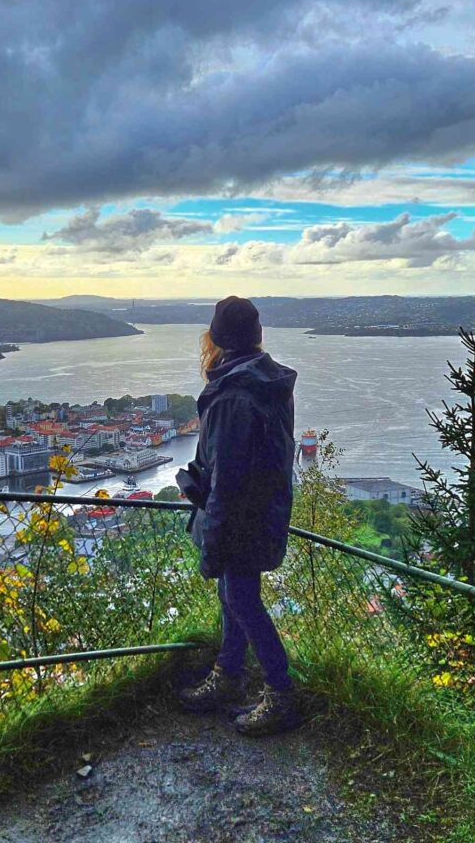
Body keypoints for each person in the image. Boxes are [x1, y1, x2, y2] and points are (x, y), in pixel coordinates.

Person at [177, 296, 300, 735]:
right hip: (262, 512)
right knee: (235, 600)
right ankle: (227, 676)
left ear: (215, 338)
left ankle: (281, 693)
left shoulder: (233, 396)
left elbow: (226, 481)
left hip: (238, 520)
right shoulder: (266, 382)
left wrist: (211, 544)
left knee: (243, 602)